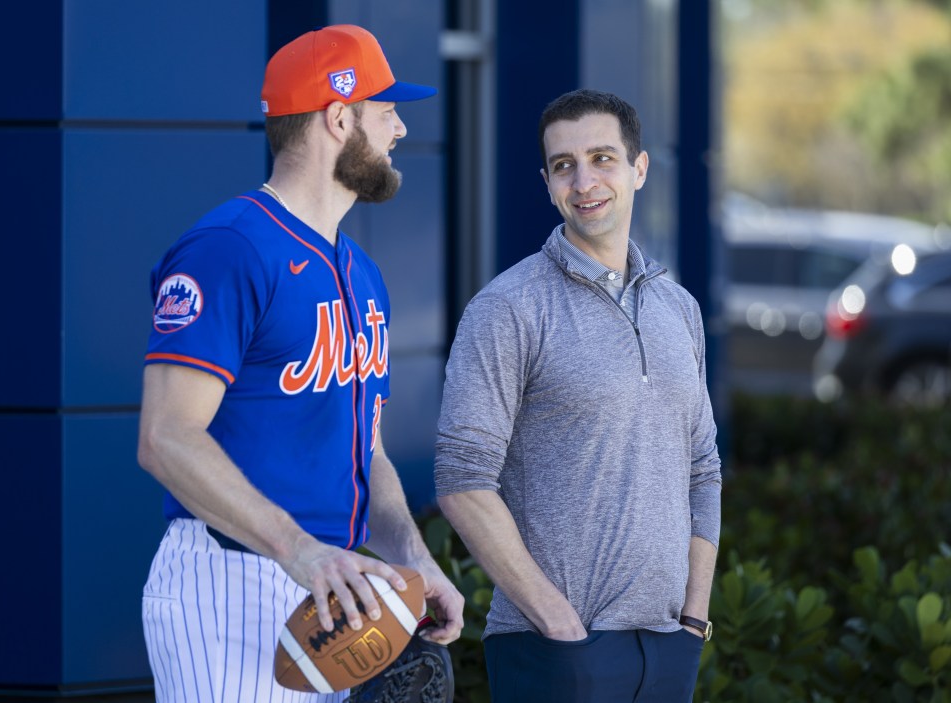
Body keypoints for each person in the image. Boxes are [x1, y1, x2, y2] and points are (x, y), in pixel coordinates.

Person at [138, 24, 464, 703]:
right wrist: (297, 549)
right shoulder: (229, 248)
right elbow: (166, 437)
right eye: (386, 112)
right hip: (231, 578)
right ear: (338, 117)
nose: (400, 129)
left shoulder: (361, 271)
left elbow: (365, 451)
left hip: (332, 589)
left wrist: (412, 557)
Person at [434, 89, 722, 703]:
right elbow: (461, 479)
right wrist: (559, 624)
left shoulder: (679, 309)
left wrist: (693, 620)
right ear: (547, 182)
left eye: (602, 158)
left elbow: (703, 470)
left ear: (639, 169)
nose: (584, 180)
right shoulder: (507, 309)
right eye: (564, 165)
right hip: (554, 648)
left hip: (669, 645)